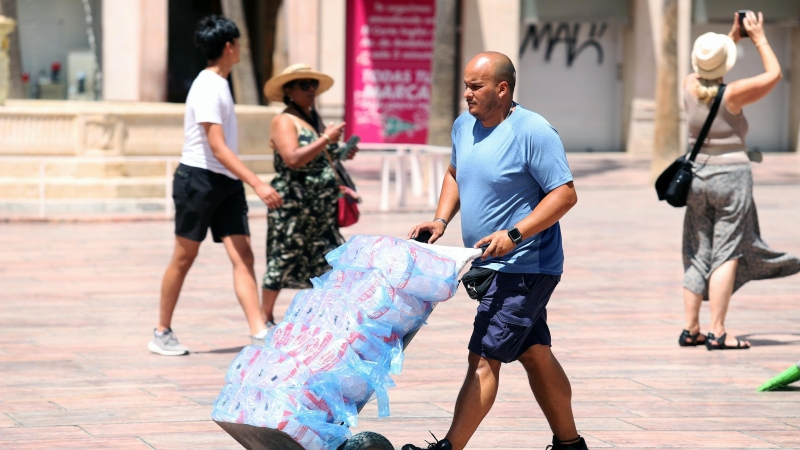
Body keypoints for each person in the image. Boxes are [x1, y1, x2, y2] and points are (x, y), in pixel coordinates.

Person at [405, 52, 586, 450]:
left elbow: (565, 194)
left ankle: (449, 447)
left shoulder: (533, 131)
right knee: (535, 353)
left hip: (526, 266)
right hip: (489, 267)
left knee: (484, 357)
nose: (466, 94)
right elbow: (456, 171)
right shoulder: (463, 126)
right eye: (466, 85)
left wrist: (516, 234)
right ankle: (571, 445)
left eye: (475, 86)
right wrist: (440, 220)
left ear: (502, 89)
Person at [148, 16, 283, 356]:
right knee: (184, 256)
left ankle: (258, 329)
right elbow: (217, 146)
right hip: (198, 181)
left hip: (225, 182)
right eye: (238, 43)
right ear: (229, 47)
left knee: (244, 255)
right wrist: (256, 182)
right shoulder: (208, 85)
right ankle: (161, 332)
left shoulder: (221, 82)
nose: (239, 48)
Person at [678, 11, 800, 350]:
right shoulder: (732, 95)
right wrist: (758, 38)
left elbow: (708, 68)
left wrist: (729, 38)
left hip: (698, 176)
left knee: (697, 249)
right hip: (732, 176)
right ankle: (718, 330)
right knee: (726, 251)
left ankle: (691, 328)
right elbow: (774, 74)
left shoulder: (688, 85)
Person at [260, 64, 358, 328]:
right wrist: (326, 139)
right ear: (289, 91)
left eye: (313, 84)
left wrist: (340, 152)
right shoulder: (284, 120)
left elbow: (316, 158)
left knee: (327, 258)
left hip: (320, 207)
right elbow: (292, 158)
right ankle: (263, 318)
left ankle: (325, 316)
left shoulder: (311, 119)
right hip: (293, 205)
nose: (311, 89)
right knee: (283, 258)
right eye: (304, 84)